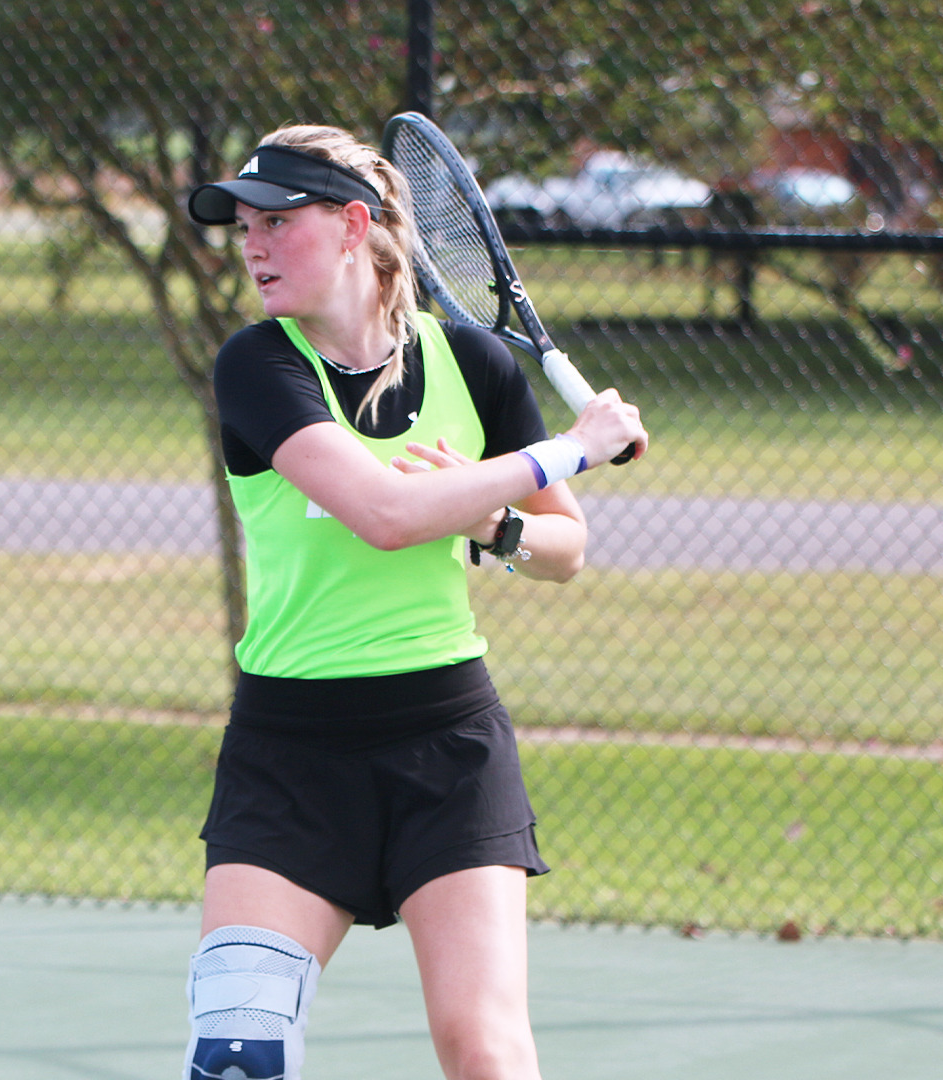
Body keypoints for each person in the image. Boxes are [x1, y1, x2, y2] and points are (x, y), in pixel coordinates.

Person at [180, 123, 647, 1080]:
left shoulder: (473, 364)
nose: (252, 245)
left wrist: (495, 524)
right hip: (290, 751)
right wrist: (570, 448)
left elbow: (563, 550)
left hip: (447, 747)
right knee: (238, 1050)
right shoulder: (258, 365)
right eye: (243, 227)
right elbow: (386, 514)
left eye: (276, 221)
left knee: (485, 1054)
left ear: (354, 225)